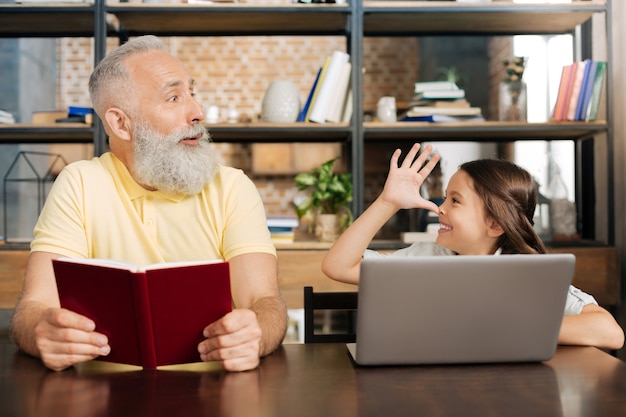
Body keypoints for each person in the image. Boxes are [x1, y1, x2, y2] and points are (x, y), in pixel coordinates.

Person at [10, 35, 288, 372]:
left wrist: (256, 333)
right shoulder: (79, 184)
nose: (197, 112)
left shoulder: (231, 187)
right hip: (104, 399)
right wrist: (42, 332)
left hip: (216, 394)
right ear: (120, 123)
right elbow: (33, 309)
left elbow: (265, 303)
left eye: (192, 93)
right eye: (173, 97)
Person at [322, 143, 624, 350]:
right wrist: (387, 202)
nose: (440, 208)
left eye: (455, 201)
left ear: (495, 224)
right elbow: (338, 266)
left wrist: (512, 332)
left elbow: (609, 332)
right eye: (444, 198)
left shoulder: (527, 273)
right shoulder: (426, 257)